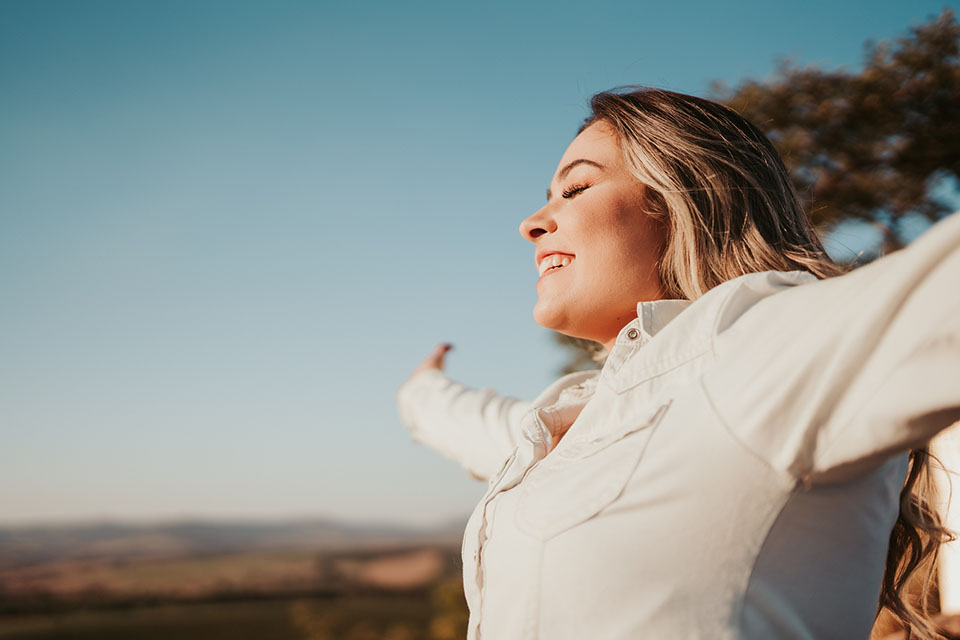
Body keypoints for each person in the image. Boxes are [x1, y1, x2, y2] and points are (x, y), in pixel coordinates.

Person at [395, 87, 960, 640]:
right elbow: (476, 426)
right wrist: (423, 391)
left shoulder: (754, 345)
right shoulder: (577, 417)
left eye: (576, 187)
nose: (533, 222)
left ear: (683, 200)